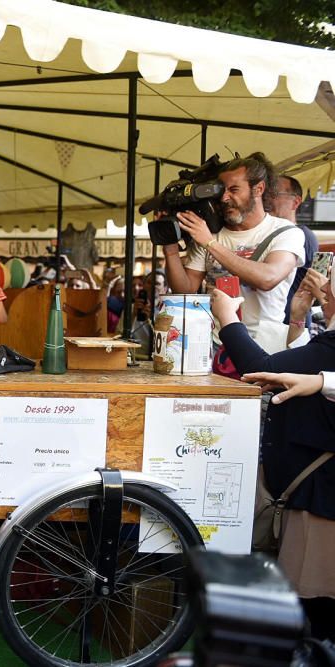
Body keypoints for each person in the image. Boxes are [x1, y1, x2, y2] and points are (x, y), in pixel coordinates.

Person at [211, 284, 335, 641]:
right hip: (314, 496)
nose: (323, 287)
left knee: (320, 611)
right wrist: (298, 320)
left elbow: (261, 368)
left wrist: (227, 318)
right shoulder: (324, 344)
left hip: (322, 502)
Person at [163, 152, 305, 354]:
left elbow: (268, 278)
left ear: (258, 189)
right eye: (221, 190)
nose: (224, 197)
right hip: (213, 347)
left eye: (234, 189)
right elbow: (184, 291)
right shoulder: (211, 231)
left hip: (262, 348)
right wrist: (170, 248)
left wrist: (210, 243)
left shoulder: (286, 232)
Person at [270, 175, 318, 328]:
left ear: (296, 202)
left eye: (275, 194)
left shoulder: (302, 235)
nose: (268, 199)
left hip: (291, 323)